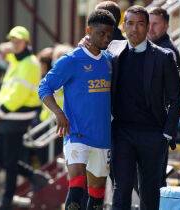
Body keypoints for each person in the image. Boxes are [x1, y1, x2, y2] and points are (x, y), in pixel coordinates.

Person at [107, 5, 180, 210]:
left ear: (148, 27)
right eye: (130, 24)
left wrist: (167, 134)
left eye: (140, 24)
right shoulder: (113, 51)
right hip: (122, 132)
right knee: (121, 189)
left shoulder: (164, 57)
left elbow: (177, 99)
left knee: (150, 192)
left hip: (153, 133)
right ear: (123, 26)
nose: (134, 29)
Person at [38, 9, 115, 210]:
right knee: (77, 186)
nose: (106, 38)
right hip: (76, 133)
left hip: (102, 136)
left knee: (97, 197)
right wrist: (59, 113)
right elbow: (44, 87)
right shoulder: (71, 59)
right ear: (88, 30)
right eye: (101, 33)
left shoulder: (109, 60)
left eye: (109, 34)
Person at [0, 26, 49, 210]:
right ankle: (34, 176)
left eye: (18, 41)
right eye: (12, 41)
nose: (14, 44)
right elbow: (3, 49)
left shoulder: (30, 63)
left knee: (7, 160)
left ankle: (7, 201)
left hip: (17, 115)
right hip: (9, 115)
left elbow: (20, 94)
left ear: (26, 42)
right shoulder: (17, 59)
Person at [147, 6, 180, 71]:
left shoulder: (168, 51)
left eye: (155, 24)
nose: (150, 28)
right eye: (148, 23)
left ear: (166, 26)